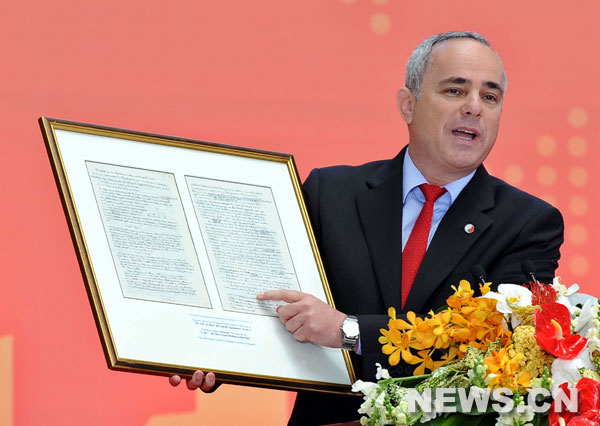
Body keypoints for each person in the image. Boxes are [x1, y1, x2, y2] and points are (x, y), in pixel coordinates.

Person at [170, 31, 564, 425]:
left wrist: (349, 330)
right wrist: (216, 354)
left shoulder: (528, 223)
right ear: (408, 104)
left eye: (490, 97)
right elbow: (273, 302)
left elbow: (496, 347)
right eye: (455, 90)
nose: (474, 107)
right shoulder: (332, 193)